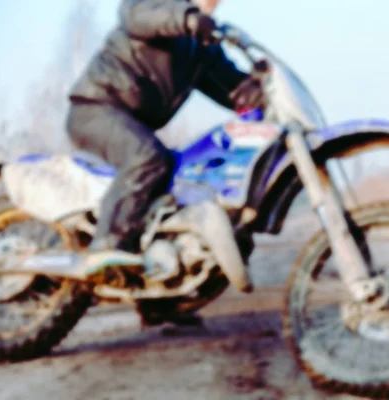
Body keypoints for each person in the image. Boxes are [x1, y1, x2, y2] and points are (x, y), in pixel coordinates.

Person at [65, 0, 264, 326]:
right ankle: (106, 246)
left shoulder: (201, 49)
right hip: (97, 108)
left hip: (135, 124)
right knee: (148, 158)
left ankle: (162, 299)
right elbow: (134, 15)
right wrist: (186, 18)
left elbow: (233, 89)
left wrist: (261, 87)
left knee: (182, 184)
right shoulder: (164, 10)